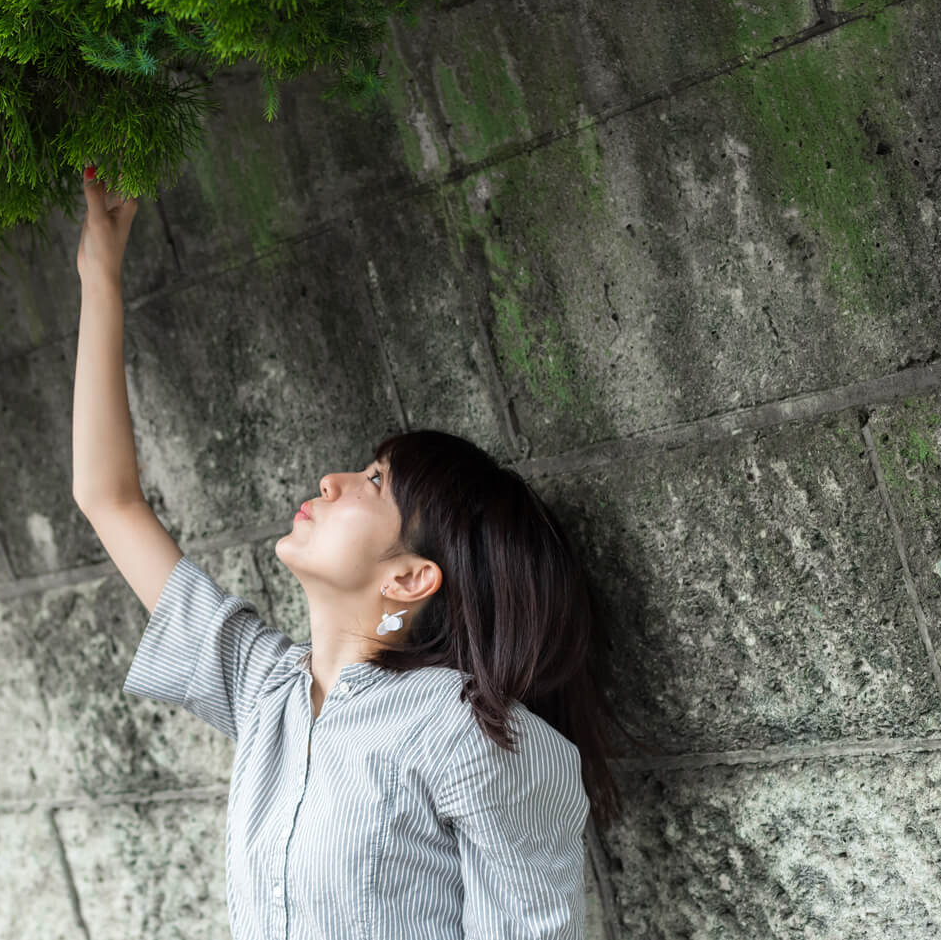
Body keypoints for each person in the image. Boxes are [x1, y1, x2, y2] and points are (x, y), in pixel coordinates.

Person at [71, 164, 625, 939]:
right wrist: (100, 270)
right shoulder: (268, 692)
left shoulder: (465, 729)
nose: (331, 480)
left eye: (372, 480)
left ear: (410, 576)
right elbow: (109, 499)